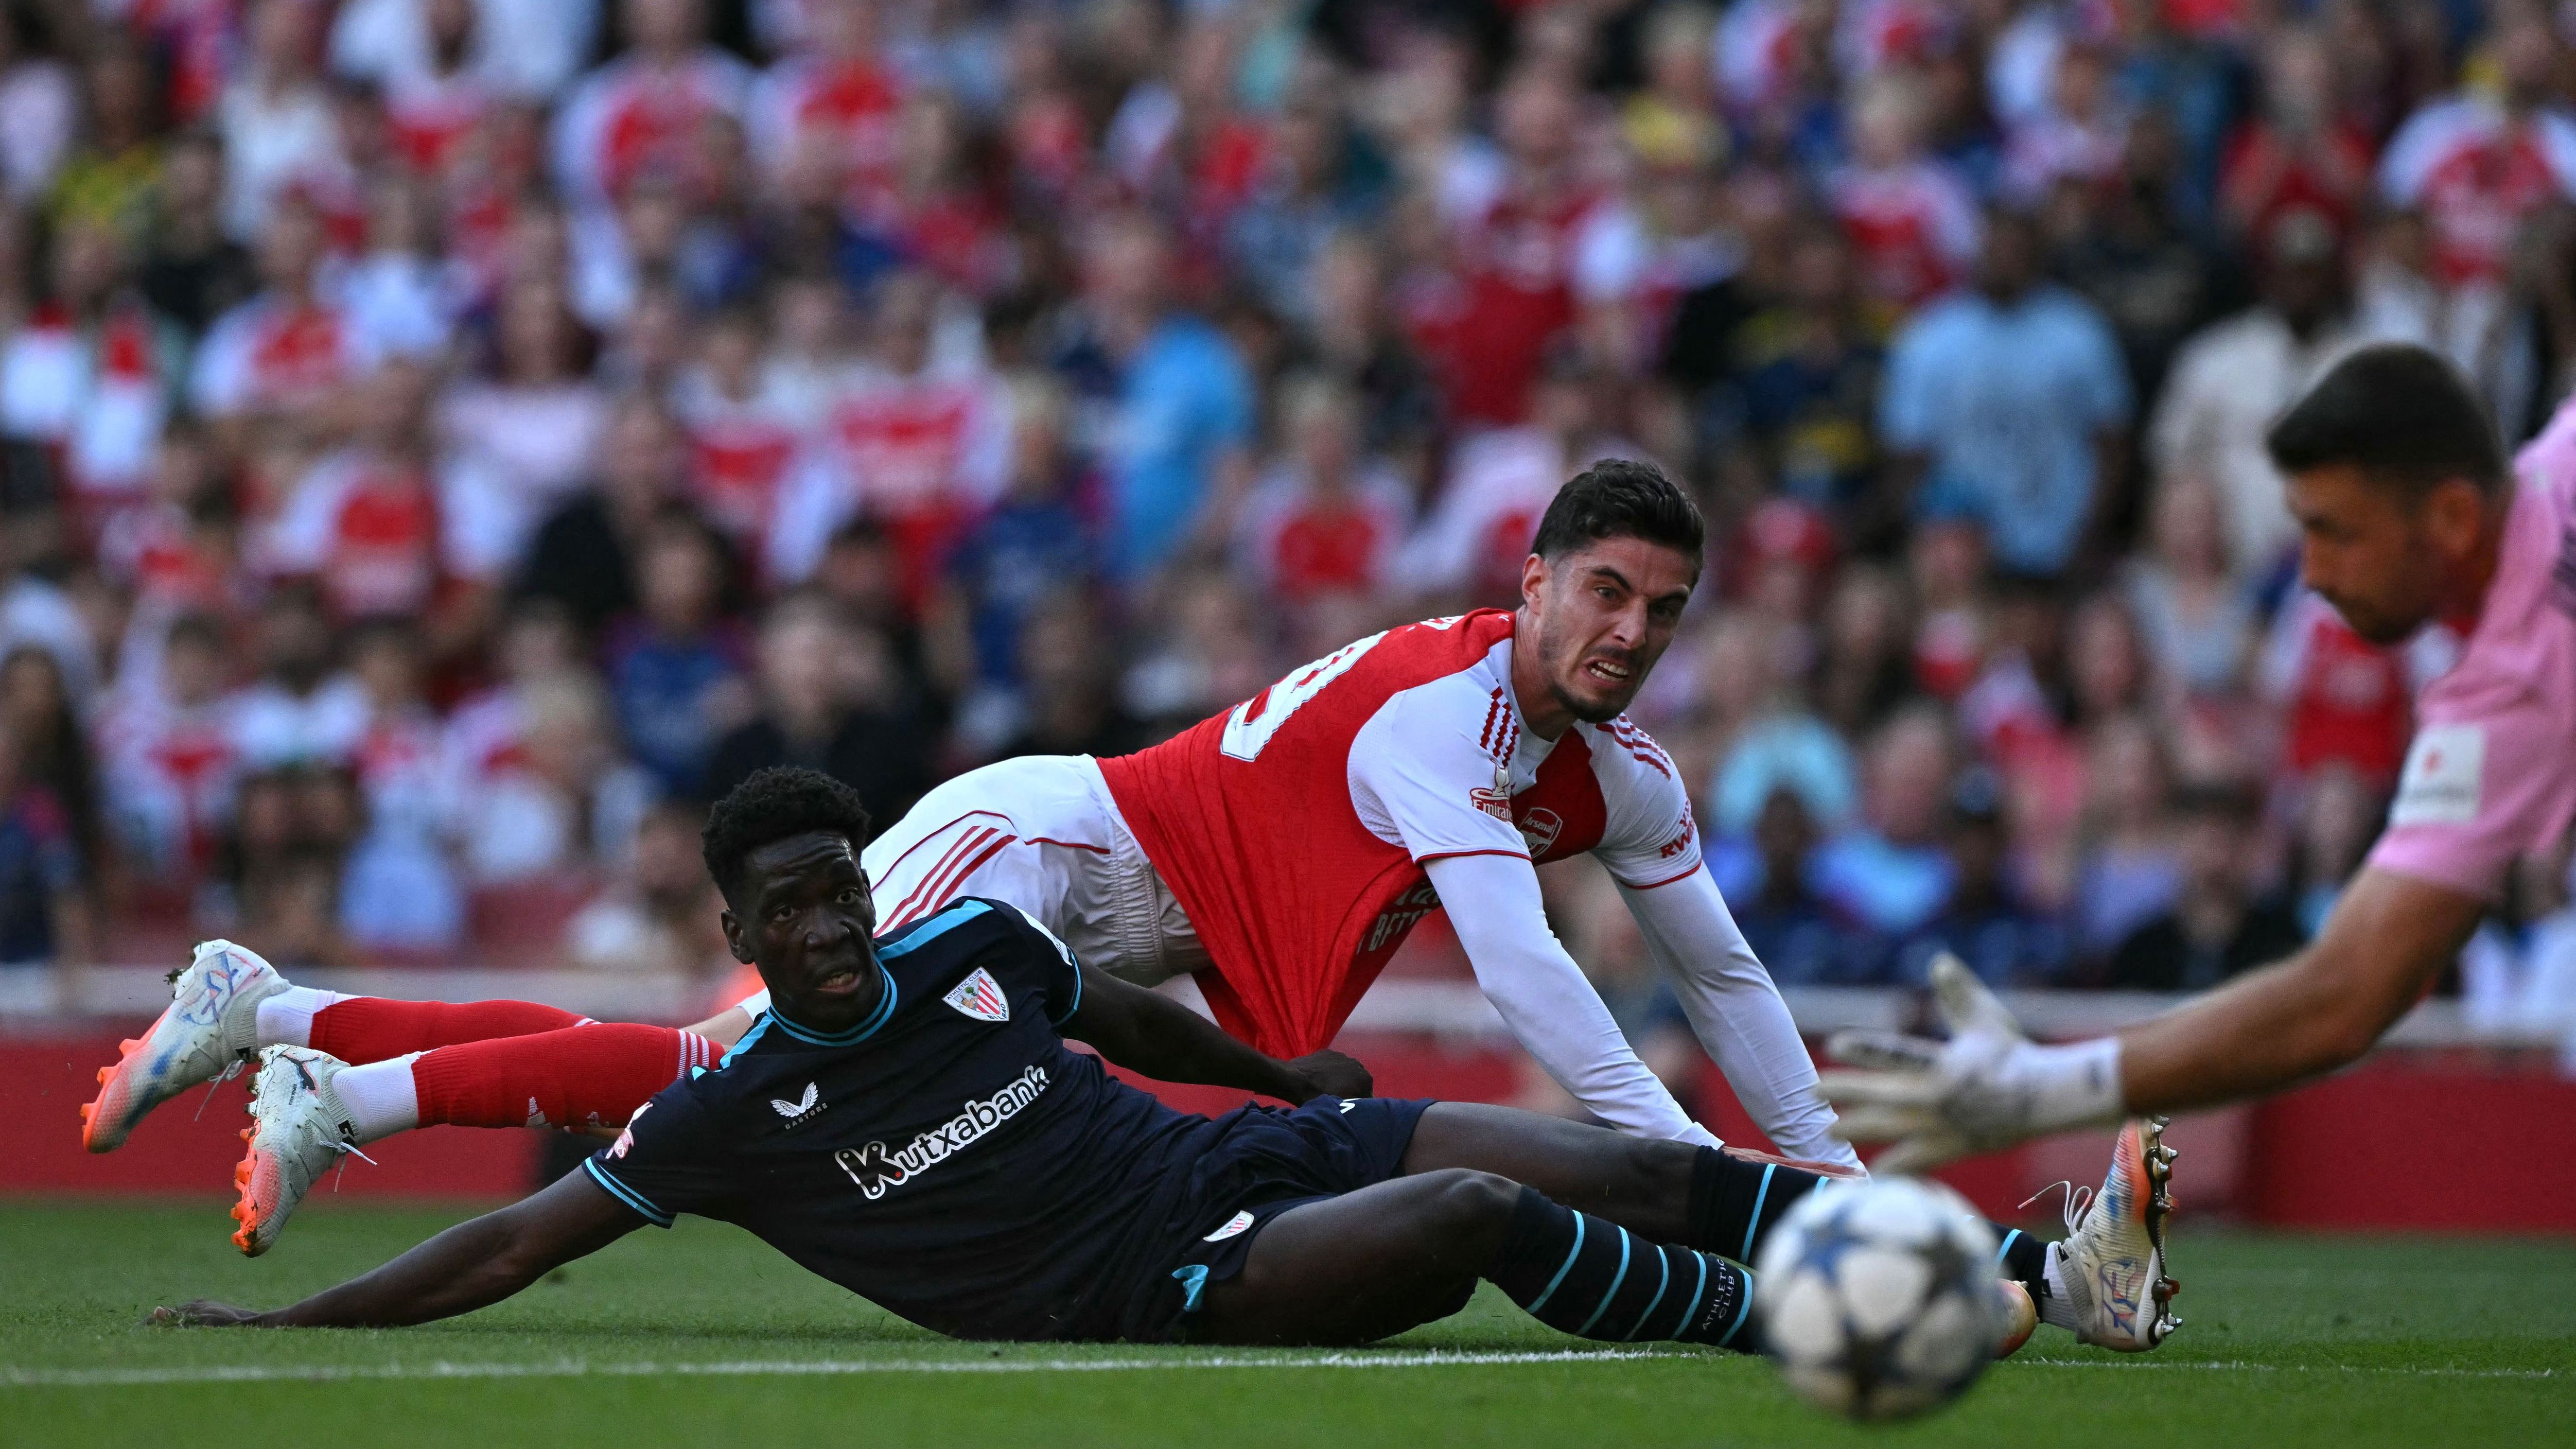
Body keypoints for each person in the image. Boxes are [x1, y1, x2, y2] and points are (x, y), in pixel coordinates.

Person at [92, 465, 1857, 1206]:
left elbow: (1726, 974)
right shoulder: (1433, 714)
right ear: (1530, 579)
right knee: (722, 1060)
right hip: (1033, 855)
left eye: (1665, 608)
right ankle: (338, 1072)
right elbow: (1535, 983)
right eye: (1604, 589)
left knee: (713, 1075)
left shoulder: (1616, 771)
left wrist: (1827, 1177)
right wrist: (1702, 1180)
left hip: (1098, 927)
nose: (1629, 629)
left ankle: (286, 1013)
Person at [159, 767, 2168, 1354]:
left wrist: (1285, 1074)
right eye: (789, 911)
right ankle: (1832, 1322)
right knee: (1475, 1210)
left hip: (1225, 1159)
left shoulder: (964, 941)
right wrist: (297, 1325)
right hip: (1143, 1281)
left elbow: (1101, 1006)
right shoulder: (726, 1103)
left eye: (839, 889)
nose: (831, 923)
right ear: (741, 934)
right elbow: (517, 1252)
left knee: (1612, 1156)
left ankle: (1997, 1263)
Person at [1823, 344, 2570, 1236]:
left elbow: (2345, 993)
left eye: (2336, 532)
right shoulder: (2507, 649)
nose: (2314, 576)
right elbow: (2349, 987)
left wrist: (2043, 1086)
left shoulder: (2518, 666)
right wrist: (2045, 1086)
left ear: (2449, 517)